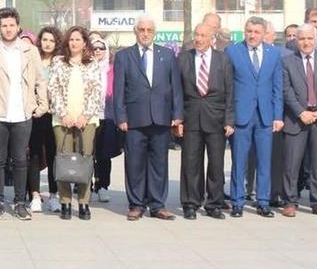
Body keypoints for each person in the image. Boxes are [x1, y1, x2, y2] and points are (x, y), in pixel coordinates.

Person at [0, 7, 48, 220]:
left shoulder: (29, 51)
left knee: (20, 159)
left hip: (22, 114)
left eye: (11, 25)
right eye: (4, 26)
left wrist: (41, 103)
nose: (8, 29)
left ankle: (19, 202)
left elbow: (40, 79)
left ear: (18, 26)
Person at [114, 14, 183, 221]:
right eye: (141, 30)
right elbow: (119, 90)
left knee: (159, 162)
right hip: (134, 119)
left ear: (154, 33)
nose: (145, 34)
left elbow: (176, 87)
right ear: (135, 31)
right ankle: (136, 204)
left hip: (161, 117)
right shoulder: (124, 56)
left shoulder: (167, 55)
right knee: (134, 162)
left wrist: (177, 114)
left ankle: (157, 204)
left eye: (149, 30)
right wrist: (121, 117)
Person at [227, 16, 284, 218]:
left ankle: (263, 201)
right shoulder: (232, 52)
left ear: (263, 33)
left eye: (256, 32)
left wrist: (278, 115)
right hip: (241, 115)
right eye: (249, 31)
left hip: (265, 116)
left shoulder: (274, 53)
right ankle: (237, 202)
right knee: (239, 161)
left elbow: (278, 87)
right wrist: (229, 118)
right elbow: (229, 88)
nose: (252, 35)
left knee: (264, 160)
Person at [280, 24, 317, 217]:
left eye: (310, 39)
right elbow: (286, 90)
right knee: (291, 163)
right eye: (302, 39)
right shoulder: (288, 61)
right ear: (296, 40)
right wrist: (300, 112)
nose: (306, 42)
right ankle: (290, 201)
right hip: (296, 119)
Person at [176, 24, 234, 220]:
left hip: (216, 119)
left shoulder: (223, 59)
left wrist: (229, 120)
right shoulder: (184, 58)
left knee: (216, 164)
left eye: (203, 35)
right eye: (196, 35)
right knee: (191, 163)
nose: (198, 39)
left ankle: (214, 204)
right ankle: (190, 203)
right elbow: (177, 91)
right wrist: (178, 119)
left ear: (212, 38)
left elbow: (230, 92)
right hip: (191, 117)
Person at [47, 26, 103, 220]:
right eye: (71, 39)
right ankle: (64, 202)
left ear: (84, 42)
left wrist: (84, 116)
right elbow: (52, 89)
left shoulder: (93, 64)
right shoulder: (58, 62)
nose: (74, 43)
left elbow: (97, 91)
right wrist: (64, 114)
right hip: (62, 120)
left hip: (86, 121)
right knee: (63, 159)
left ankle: (84, 202)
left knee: (85, 159)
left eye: (78, 39)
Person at [27, 26, 61, 213]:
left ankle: (54, 195)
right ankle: (35, 195)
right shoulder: (33, 60)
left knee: (54, 155)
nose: (47, 43)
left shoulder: (60, 62)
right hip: (36, 113)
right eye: (45, 39)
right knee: (34, 154)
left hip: (54, 114)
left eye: (51, 40)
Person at [92, 37, 120, 204]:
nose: (98, 51)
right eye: (94, 48)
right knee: (87, 154)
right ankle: (86, 184)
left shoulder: (112, 71)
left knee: (104, 155)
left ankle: (103, 186)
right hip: (89, 117)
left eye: (101, 48)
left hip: (107, 117)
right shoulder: (86, 68)